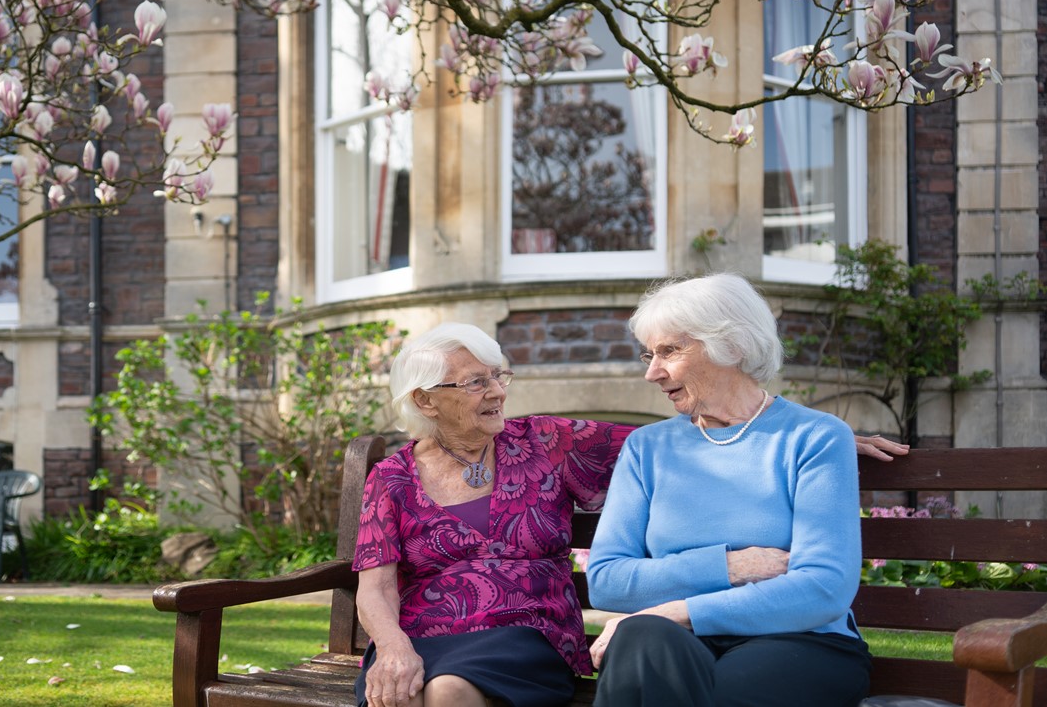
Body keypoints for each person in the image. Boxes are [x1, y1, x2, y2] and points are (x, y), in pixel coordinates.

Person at [354, 319, 902, 707]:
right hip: (421, 632)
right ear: (425, 401)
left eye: (499, 375)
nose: (497, 390)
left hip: (522, 628)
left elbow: (696, 433)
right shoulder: (393, 476)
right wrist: (394, 650)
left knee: (448, 693)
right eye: (476, 382)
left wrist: (815, 435)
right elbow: (375, 586)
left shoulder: (547, 441)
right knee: (407, 692)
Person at [585, 273, 874, 707]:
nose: (651, 372)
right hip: (678, 644)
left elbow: (824, 587)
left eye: (670, 351)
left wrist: (678, 610)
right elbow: (608, 581)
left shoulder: (815, 437)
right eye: (649, 353)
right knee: (643, 637)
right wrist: (729, 566)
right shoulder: (648, 447)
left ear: (732, 346)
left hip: (800, 642)